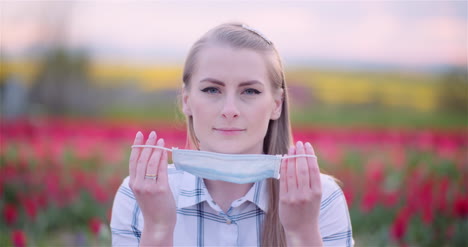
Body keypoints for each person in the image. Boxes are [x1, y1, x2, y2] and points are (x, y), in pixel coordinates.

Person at [110, 22, 354, 246]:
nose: (229, 110)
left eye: (249, 91)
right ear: (186, 101)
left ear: (276, 104)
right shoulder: (137, 196)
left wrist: (302, 232)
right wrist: (158, 228)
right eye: (212, 89)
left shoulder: (321, 199)